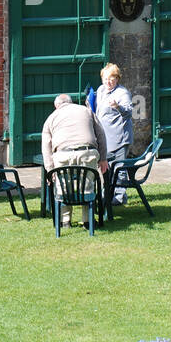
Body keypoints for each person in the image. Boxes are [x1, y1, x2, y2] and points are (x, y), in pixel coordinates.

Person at [41, 93, 109, 227]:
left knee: (63, 187)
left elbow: (46, 146)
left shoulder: (51, 117)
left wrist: (50, 170)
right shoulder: (86, 111)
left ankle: (65, 221)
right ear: (71, 102)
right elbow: (101, 134)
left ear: (56, 106)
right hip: (87, 152)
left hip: (63, 155)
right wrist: (103, 158)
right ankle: (88, 221)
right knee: (87, 186)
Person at [94, 63, 133, 206]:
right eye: (105, 78)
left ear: (117, 79)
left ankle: (120, 196)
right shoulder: (101, 90)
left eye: (112, 78)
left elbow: (129, 112)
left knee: (119, 168)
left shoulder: (122, 93)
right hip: (105, 138)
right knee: (107, 167)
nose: (108, 81)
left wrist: (118, 106)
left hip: (120, 137)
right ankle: (109, 193)